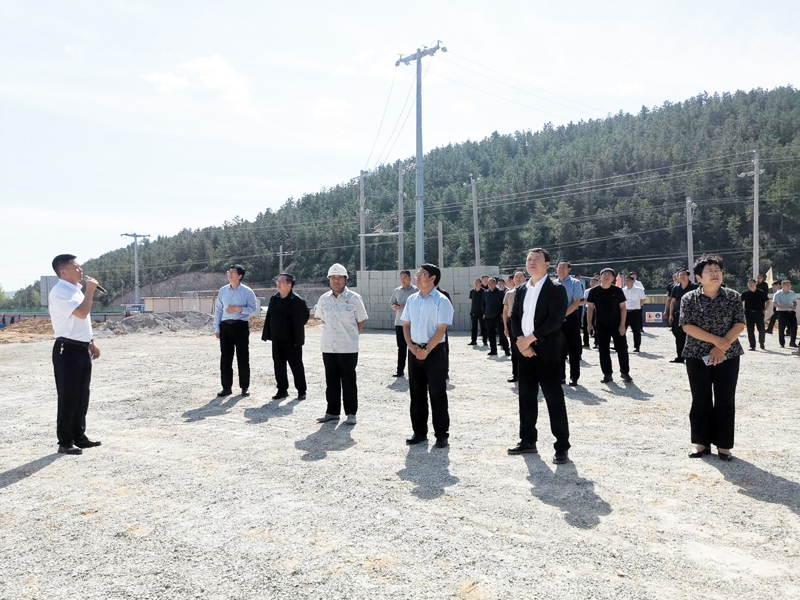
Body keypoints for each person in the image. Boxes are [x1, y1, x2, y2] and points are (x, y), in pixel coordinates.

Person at [680, 255, 745, 461]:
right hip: (696, 354)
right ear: (699, 277)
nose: (715, 273)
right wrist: (717, 341)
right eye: (709, 271)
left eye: (717, 270)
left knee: (725, 399)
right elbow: (687, 326)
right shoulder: (689, 298)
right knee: (700, 398)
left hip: (728, 354)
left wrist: (721, 347)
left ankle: (724, 446)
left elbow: (739, 323)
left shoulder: (733, 296)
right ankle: (701, 443)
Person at [508, 248, 571, 464]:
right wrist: (520, 340)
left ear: (547, 264)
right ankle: (527, 440)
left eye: (537, 259)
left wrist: (530, 339)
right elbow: (514, 316)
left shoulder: (556, 289)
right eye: (529, 259)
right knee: (526, 397)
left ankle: (561, 446)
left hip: (547, 351)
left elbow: (555, 320)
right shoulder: (521, 289)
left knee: (554, 399)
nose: (532, 262)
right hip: (524, 351)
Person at [48, 254, 102, 455]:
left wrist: (91, 342)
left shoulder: (75, 291)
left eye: (80, 267)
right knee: (68, 396)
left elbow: (81, 322)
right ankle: (65, 441)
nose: (80, 270)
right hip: (67, 349)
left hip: (81, 348)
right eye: (76, 267)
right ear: (63, 272)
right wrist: (90, 291)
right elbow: (81, 313)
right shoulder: (60, 292)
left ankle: (79, 436)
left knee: (81, 395)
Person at [401, 263, 454, 448]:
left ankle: (441, 434)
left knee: (437, 393)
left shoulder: (442, 300)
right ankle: (419, 432)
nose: (417, 277)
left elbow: (441, 329)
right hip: (414, 351)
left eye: (421, 274)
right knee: (416, 393)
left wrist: (426, 349)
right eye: (417, 274)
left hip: (435, 352)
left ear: (432, 278)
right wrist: (412, 347)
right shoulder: (412, 300)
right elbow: (405, 324)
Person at [315, 263, 368, 425]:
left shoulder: (354, 298)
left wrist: (351, 337)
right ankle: (332, 412)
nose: (336, 281)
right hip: (328, 347)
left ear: (345, 279)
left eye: (339, 278)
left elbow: (360, 321)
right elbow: (322, 318)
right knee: (331, 381)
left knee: (349, 381)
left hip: (348, 348)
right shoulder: (324, 299)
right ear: (329, 280)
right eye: (333, 278)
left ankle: (351, 413)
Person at [261, 273, 310, 400]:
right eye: (277, 281)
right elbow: (270, 316)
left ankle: (301, 390)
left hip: (292, 339)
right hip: (277, 338)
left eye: (281, 282)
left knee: (296, 365)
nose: (278, 284)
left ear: (289, 285)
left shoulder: (297, 300)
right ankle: (282, 390)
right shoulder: (274, 298)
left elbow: (304, 317)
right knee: (279, 365)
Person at [214, 264, 259, 397]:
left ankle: (244, 387)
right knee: (225, 358)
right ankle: (226, 387)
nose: (229, 274)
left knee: (243, 357)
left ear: (240, 276)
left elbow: (253, 309)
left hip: (240, 326)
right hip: (225, 326)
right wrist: (217, 327)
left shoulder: (247, 291)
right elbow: (218, 310)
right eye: (229, 272)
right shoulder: (223, 291)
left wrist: (238, 309)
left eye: (232, 272)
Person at [587, 268, 632, 383]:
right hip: (601, 325)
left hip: (617, 325)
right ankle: (607, 374)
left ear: (613, 278)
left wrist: (622, 325)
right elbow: (590, 308)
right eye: (604, 274)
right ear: (600, 278)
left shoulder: (618, 291)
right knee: (603, 351)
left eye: (609, 274)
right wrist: (589, 324)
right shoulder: (594, 291)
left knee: (622, 349)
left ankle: (625, 372)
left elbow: (623, 308)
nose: (607, 276)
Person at [556, 261, 585, 386]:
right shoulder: (552, 283)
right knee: (559, 349)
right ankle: (560, 376)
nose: (561, 269)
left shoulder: (575, 283)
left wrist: (563, 315)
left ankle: (574, 377)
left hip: (571, 317)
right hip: (556, 320)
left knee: (573, 349)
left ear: (569, 269)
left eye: (563, 267)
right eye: (559, 267)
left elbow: (576, 302)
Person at [389, 270, 417, 377]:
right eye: (401, 277)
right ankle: (399, 371)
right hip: (399, 323)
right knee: (401, 347)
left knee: (413, 347)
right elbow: (392, 303)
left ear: (410, 278)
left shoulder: (416, 290)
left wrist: (403, 307)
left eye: (405, 277)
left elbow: (417, 306)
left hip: (412, 324)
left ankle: (414, 371)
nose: (403, 279)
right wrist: (394, 306)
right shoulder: (397, 291)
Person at [667, 269, 698, 363]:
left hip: (691, 315)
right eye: (680, 275)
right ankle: (680, 357)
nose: (682, 276)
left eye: (684, 274)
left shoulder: (695, 287)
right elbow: (672, 302)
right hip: (678, 315)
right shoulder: (676, 288)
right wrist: (670, 314)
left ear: (688, 276)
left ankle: (691, 357)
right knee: (678, 336)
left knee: (691, 336)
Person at [504, 271, 526, 383]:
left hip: (526, 322)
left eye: (520, 276)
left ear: (525, 278)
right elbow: (505, 311)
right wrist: (505, 327)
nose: (518, 278)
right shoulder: (509, 293)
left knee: (527, 347)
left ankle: (528, 375)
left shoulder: (529, 292)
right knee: (514, 349)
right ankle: (515, 374)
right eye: (516, 276)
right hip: (512, 322)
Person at [483, 277, 510, 357]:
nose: (490, 285)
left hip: (498, 317)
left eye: (492, 283)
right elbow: (484, 304)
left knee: (502, 335)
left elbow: (504, 305)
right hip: (488, 317)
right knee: (491, 335)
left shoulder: (501, 293)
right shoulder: (485, 293)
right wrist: (484, 313)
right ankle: (493, 350)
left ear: (495, 284)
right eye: (489, 283)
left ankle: (507, 350)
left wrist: (502, 314)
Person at [740, 278, 768, 351]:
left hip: (759, 313)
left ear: (756, 284)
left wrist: (765, 309)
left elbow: (768, 301)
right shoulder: (745, 293)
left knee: (761, 329)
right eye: (749, 283)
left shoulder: (761, 292)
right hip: (748, 313)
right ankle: (752, 346)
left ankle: (762, 343)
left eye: (752, 283)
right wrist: (741, 309)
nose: (750, 284)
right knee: (750, 330)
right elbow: (739, 301)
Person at [623, 274, 647, 352]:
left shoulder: (638, 289)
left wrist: (639, 305)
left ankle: (637, 346)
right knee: (622, 329)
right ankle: (623, 345)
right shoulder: (623, 290)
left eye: (628, 280)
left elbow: (643, 299)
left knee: (636, 330)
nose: (626, 282)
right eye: (625, 280)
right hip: (625, 312)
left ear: (632, 281)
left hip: (635, 312)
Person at [773, 280, 798, 348]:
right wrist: (784, 308)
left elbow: (794, 302)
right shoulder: (778, 294)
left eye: (789, 285)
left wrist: (794, 306)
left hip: (791, 312)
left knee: (794, 327)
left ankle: (792, 342)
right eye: (787, 285)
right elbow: (775, 303)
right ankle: (782, 343)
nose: (789, 286)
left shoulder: (792, 293)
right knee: (782, 328)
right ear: (782, 285)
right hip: (782, 312)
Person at [468, 278, 487, 346]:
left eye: (477, 282)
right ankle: (473, 341)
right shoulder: (472, 291)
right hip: (474, 311)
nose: (476, 284)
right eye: (475, 282)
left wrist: (485, 312)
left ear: (481, 283)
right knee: (474, 327)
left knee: (483, 327)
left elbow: (486, 302)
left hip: (482, 312)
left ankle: (485, 341)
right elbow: (471, 300)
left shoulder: (484, 292)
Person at [582, 277, 599, 348]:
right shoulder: (587, 291)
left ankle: (597, 343)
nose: (592, 283)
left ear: (597, 282)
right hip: (587, 309)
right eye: (591, 282)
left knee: (596, 326)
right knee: (585, 326)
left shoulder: (599, 290)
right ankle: (586, 342)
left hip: (596, 310)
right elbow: (585, 300)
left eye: (594, 282)